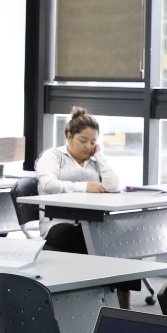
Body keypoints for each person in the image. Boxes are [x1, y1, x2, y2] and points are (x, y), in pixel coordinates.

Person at [35, 107, 123, 255]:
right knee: (90, 239)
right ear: (69, 136)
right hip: (57, 223)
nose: (88, 146)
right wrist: (84, 187)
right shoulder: (54, 156)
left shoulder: (94, 162)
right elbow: (48, 184)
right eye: (83, 140)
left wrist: (99, 155)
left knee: (119, 236)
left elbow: (113, 185)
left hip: (91, 222)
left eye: (93, 142)